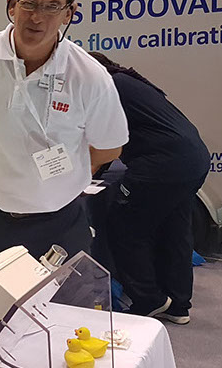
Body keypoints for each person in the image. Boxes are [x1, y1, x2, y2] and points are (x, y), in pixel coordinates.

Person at [0, 0, 129, 275]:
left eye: (52, 7)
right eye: (30, 3)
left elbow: (109, 149)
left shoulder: (89, 76)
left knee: (65, 306)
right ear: (13, 2)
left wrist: (63, 175)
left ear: (68, 13)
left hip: (60, 224)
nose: (37, 17)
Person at [90, 52, 210, 324]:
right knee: (175, 230)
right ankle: (178, 305)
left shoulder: (107, 86)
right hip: (192, 159)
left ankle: (148, 299)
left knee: (125, 226)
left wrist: (86, 173)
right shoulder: (127, 82)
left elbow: (102, 141)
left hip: (161, 164)